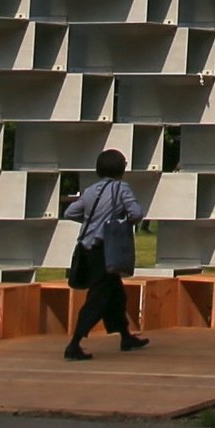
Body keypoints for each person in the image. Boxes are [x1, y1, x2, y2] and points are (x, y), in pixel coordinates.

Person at [60, 148, 149, 360]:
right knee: (98, 298)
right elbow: (136, 214)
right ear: (122, 169)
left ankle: (126, 337)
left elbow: (70, 212)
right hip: (105, 250)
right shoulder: (121, 189)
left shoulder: (91, 190)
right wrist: (118, 223)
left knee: (117, 295)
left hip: (87, 248)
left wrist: (93, 222)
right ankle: (74, 344)